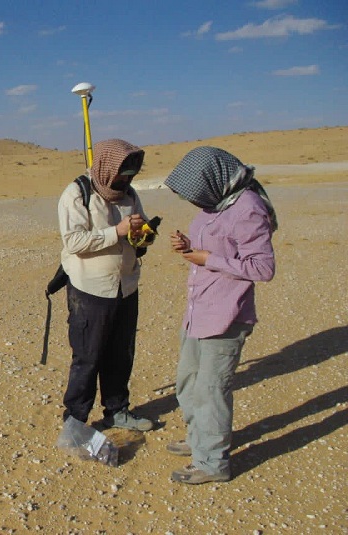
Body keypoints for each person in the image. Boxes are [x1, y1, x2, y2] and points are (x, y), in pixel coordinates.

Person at [164, 146, 277, 485]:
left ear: (215, 179)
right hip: (199, 310)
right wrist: (188, 247)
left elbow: (263, 268)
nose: (195, 201)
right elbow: (209, 246)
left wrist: (205, 258)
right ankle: (200, 437)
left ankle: (212, 461)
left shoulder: (248, 209)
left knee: (211, 389)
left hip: (227, 316)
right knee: (187, 382)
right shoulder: (215, 203)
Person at [58, 138, 155, 433]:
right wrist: (117, 231)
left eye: (130, 175)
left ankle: (117, 410)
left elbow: (140, 232)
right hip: (90, 289)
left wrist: (144, 235)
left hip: (125, 286)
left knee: (120, 353)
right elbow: (73, 241)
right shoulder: (76, 194)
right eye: (121, 174)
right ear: (106, 167)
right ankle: (75, 420)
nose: (125, 180)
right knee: (88, 356)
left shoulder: (129, 194)